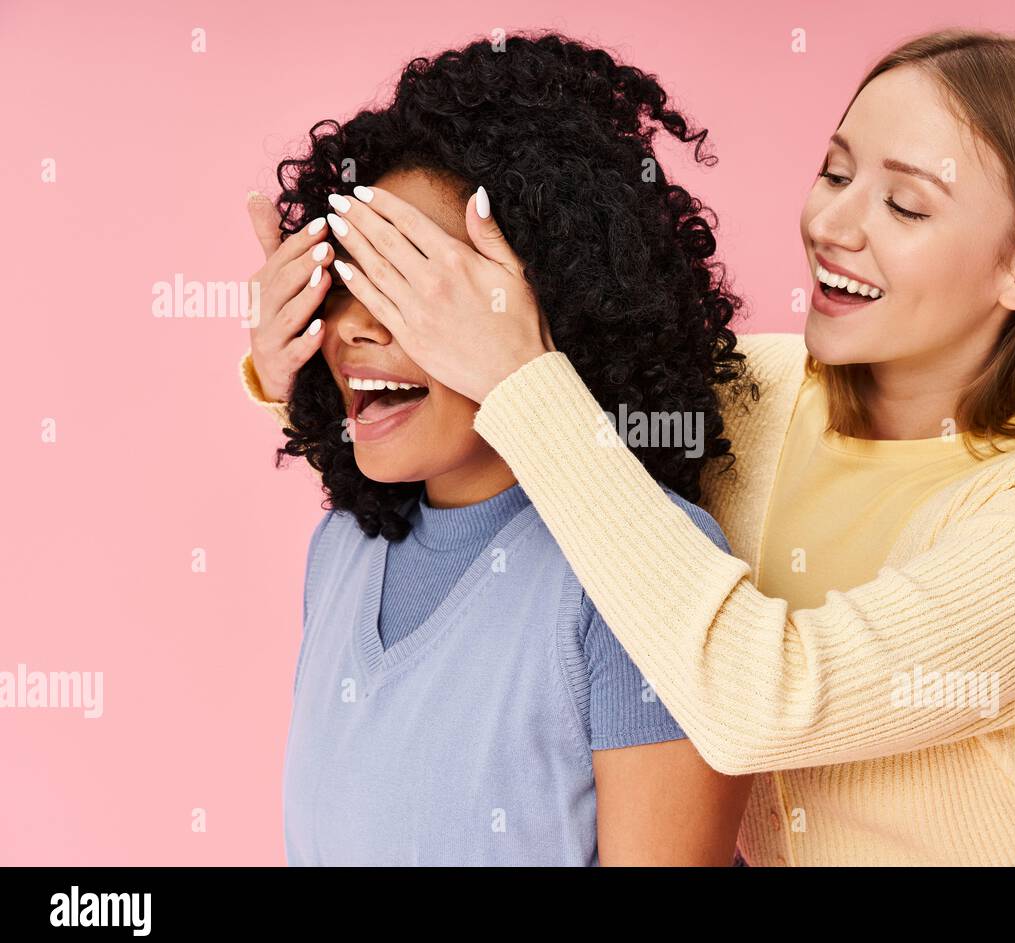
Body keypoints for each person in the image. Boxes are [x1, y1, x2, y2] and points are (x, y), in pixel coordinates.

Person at [242, 29, 1015, 866]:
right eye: (834, 172)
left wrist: (515, 369)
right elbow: (560, 373)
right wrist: (298, 362)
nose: (831, 225)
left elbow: (764, 700)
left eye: (904, 207)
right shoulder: (759, 390)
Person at [241, 35, 754, 865]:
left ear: (558, 300)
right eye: (343, 279)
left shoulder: (646, 573)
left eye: (412, 283)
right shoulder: (339, 551)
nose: (353, 326)